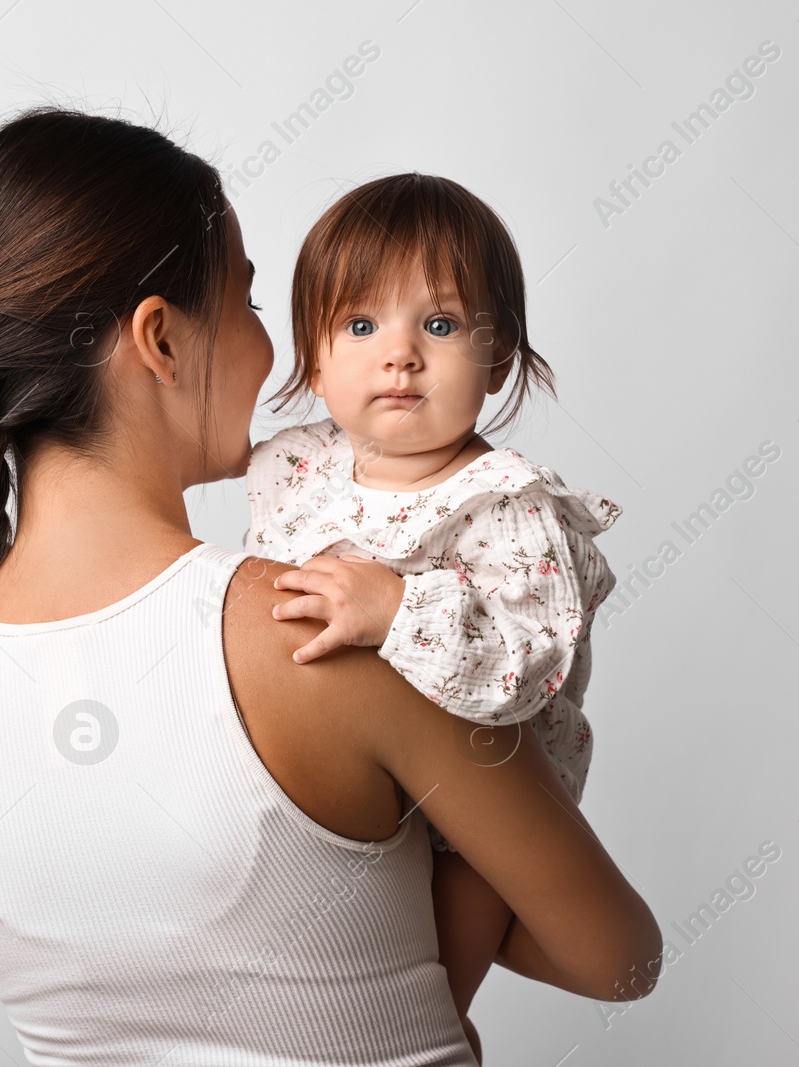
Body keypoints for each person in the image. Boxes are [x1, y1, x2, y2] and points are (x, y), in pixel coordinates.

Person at [0, 106, 660, 1065]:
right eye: (253, 306)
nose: (277, 355)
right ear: (164, 342)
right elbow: (621, 960)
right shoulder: (329, 628)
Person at [245, 173, 624, 1037]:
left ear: (497, 356)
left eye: (441, 325)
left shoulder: (507, 502)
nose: (400, 353)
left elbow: (530, 667)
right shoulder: (294, 466)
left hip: (475, 817)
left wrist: (398, 608)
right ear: (312, 346)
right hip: (340, 790)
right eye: (361, 324)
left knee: (413, 1024)